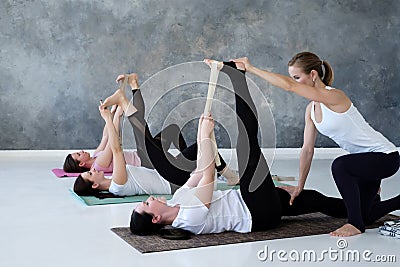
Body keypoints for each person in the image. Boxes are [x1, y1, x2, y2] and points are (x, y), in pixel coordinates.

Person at [129, 60, 400, 236]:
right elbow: (209, 175)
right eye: (146, 204)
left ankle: (367, 211)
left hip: (256, 200)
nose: (149, 199)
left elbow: (198, 173)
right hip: (256, 212)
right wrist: (204, 137)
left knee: (318, 201)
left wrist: (204, 140)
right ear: (155, 219)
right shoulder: (189, 219)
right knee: (248, 147)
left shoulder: (178, 203)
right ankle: (237, 76)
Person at [232, 52, 399, 236]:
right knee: (367, 215)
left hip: (385, 157)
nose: (294, 81)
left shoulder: (334, 96)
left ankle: (355, 225)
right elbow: (307, 150)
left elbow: (289, 87)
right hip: (364, 162)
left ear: (313, 75)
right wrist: (299, 186)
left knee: (340, 166)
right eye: (293, 78)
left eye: (297, 77)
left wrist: (251, 68)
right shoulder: (310, 110)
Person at [73, 73, 239, 197]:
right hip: (170, 181)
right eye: (89, 173)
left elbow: (116, 144)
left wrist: (113, 118)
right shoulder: (117, 185)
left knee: (200, 147)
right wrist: (109, 118)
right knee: (145, 144)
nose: (93, 170)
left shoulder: (115, 182)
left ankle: (230, 176)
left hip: (168, 171)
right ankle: (125, 97)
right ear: (94, 185)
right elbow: (116, 149)